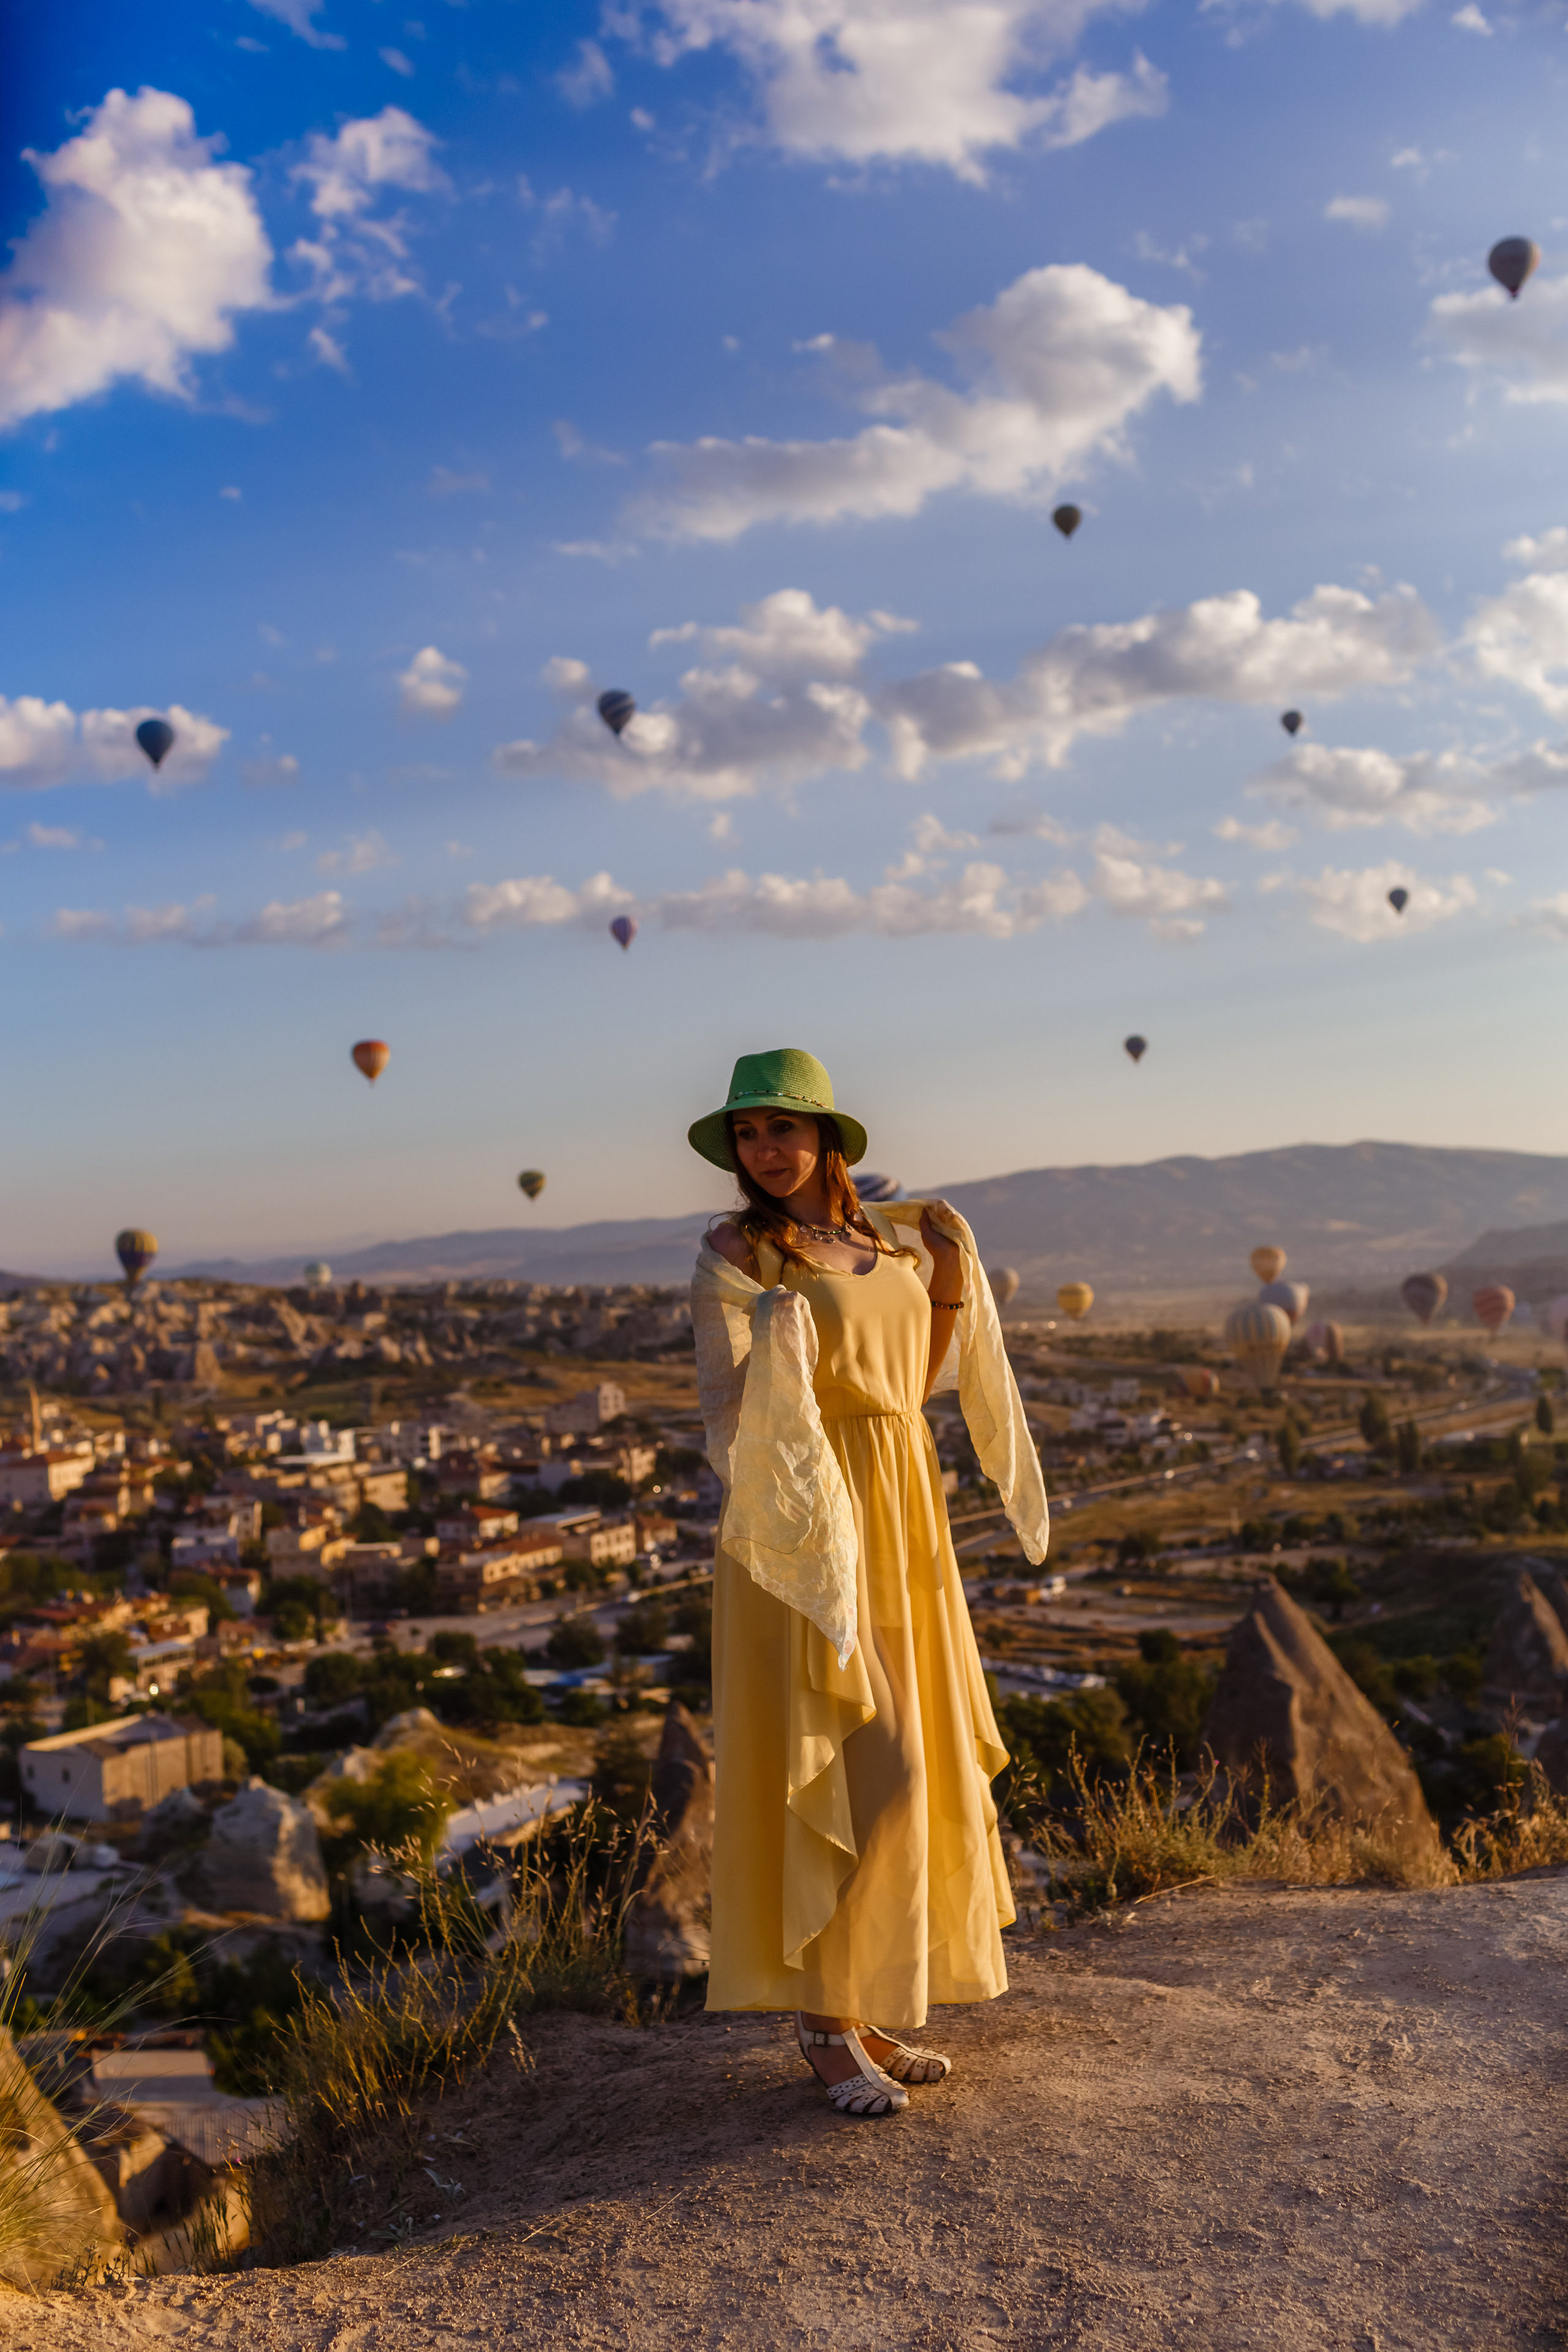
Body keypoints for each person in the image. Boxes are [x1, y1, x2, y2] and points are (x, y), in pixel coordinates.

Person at [688, 1047, 1048, 2119]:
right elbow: (727, 1410)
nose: (768, 1150)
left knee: (915, 1763)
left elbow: (922, 1381)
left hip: (903, 1509)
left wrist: (947, 1280)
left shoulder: (890, 1242)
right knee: (870, 1766)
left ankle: (861, 2006)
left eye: (784, 1129)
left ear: (829, 1138)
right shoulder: (736, 1252)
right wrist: (770, 1334)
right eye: (750, 1135)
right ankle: (820, 2027)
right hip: (803, 1523)